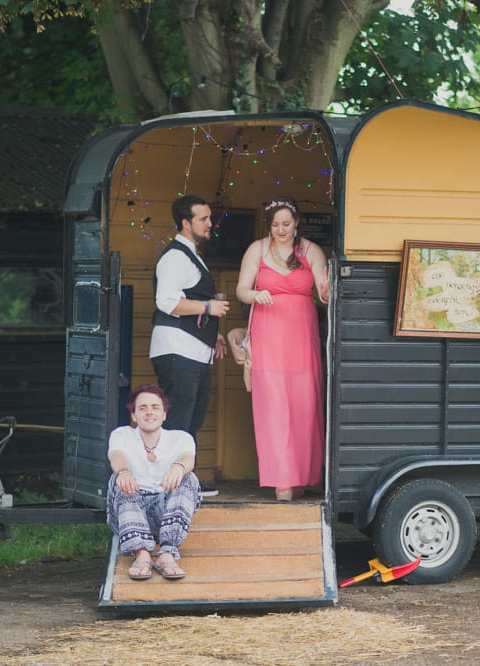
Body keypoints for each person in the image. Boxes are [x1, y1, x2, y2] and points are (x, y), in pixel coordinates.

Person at [235, 196, 329, 501]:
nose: (281, 229)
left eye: (286, 224)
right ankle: (282, 481)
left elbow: (324, 293)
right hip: (268, 334)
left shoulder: (311, 250)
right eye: (275, 224)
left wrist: (328, 289)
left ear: (297, 222)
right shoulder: (257, 249)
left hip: (302, 336)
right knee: (273, 407)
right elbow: (241, 289)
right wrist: (254, 294)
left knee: (303, 405)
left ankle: (303, 475)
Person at [151, 195, 229, 497]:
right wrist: (208, 308)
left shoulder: (190, 254)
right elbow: (167, 301)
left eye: (210, 218)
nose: (210, 224)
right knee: (180, 418)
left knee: (192, 417)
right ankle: (171, 487)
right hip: (177, 349)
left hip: (193, 349)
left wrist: (213, 332)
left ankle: (183, 482)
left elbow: (188, 301)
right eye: (203, 219)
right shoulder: (175, 257)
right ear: (186, 223)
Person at [106, 384, 201, 580]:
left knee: (188, 478)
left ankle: (167, 553)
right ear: (134, 415)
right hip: (130, 513)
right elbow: (116, 455)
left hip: (167, 513)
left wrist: (178, 467)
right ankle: (141, 554)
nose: (149, 412)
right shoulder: (121, 434)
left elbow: (188, 458)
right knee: (118, 478)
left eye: (155, 407)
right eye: (142, 408)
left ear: (164, 414)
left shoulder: (181, 438)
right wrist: (123, 471)